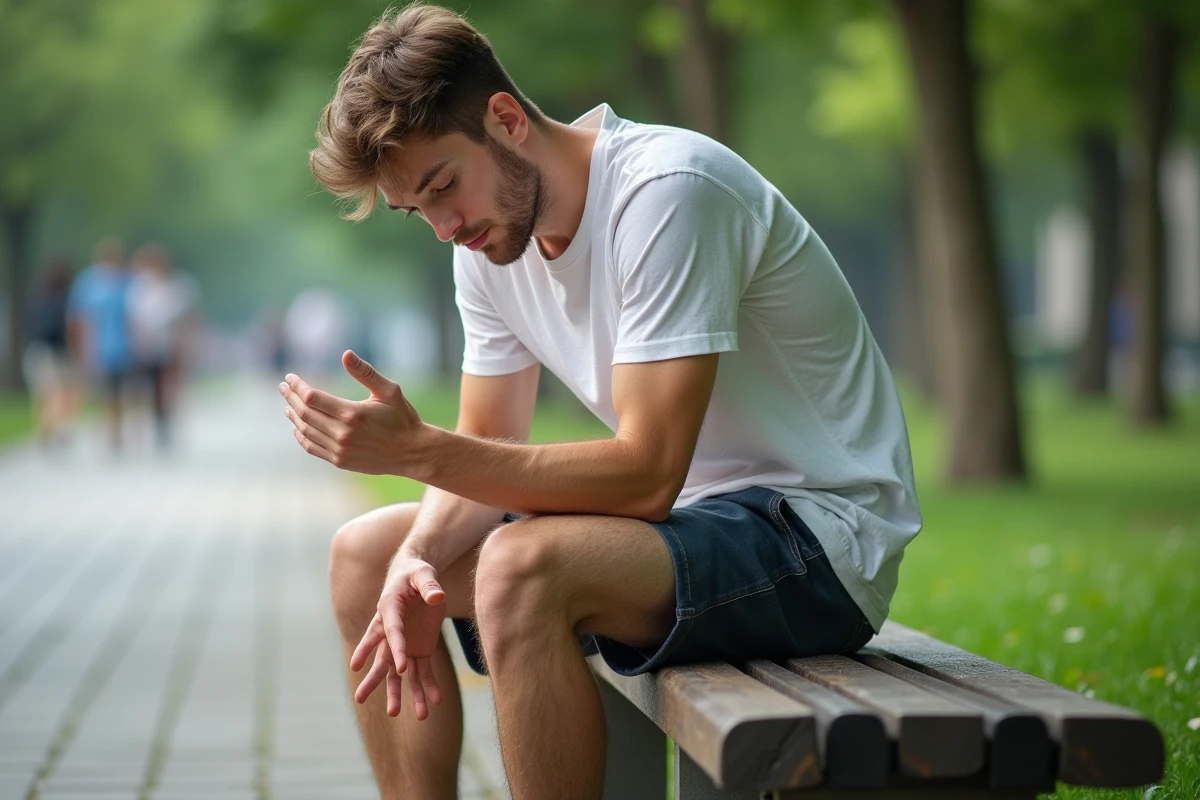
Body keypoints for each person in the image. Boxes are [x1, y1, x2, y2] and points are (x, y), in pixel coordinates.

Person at [283, 6, 922, 798]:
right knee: (368, 557)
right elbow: (488, 439)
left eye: (443, 185)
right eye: (419, 210)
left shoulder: (666, 193)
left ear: (507, 119)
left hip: (818, 536)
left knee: (522, 569)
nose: (444, 227)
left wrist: (415, 450)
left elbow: (647, 473)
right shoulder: (487, 243)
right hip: (684, 527)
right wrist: (418, 555)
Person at [127, 242, 199, 450]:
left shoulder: (175, 288)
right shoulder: (139, 289)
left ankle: (164, 424)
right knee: (146, 390)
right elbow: (134, 321)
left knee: (167, 389)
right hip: (146, 349)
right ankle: (149, 426)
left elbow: (186, 320)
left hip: (168, 348)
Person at [68, 237, 133, 451]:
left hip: (121, 346)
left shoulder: (126, 281)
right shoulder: (88, 282)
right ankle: (104, 427)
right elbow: (79, 317)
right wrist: (80, 347)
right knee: (98, 391)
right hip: (94, 346)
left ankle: (115, 430)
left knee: (117, 390)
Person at [23, 255, 80, 447]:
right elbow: (71, 328)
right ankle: (55, 429)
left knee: (44, 395)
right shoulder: (66, 300)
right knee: (59, 394)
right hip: (57, 352)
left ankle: (45, 429)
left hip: (36, 349)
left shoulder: (36, 298)